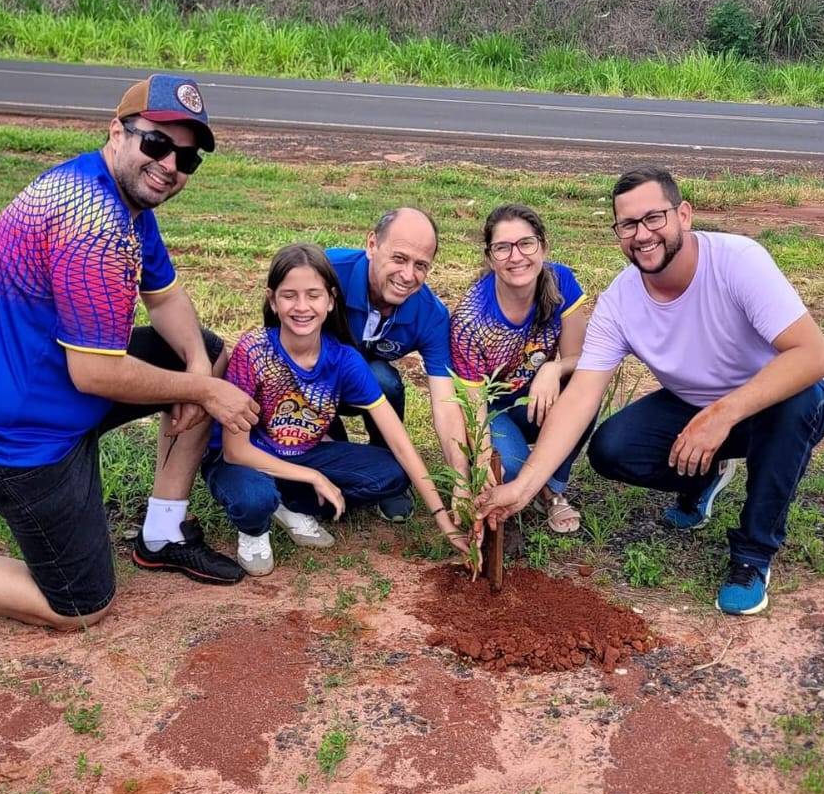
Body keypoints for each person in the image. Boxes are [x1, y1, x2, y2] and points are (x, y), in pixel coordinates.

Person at [482, 167, 824, 615]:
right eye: (628, 224)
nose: (642, 234)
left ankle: (752, 554)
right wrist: (526, 486)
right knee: (612, 449)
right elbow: (581, 396)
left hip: (779, 398)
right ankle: (708, 476)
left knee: (798, 406)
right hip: (694, 404)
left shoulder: (737, 261)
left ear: (683, 214)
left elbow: (813, 356)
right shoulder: (620, 301)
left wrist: (721, 415)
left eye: (654, 218)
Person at [0, 73, 258, 630]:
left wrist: (194, 365)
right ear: (118, 131)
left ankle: (162, 533)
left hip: (50, 379)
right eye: (157, 143)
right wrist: (203, 389)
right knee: (79, 605)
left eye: (187, 160)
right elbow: (93, 372)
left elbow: (165, 301)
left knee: (205, 349)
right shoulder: (92, 223)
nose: (170, 166)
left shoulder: (127, 204)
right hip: (23, 430)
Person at [202, 243, 469, 575]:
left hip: (299, 451)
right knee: (254, 500)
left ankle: (284, 502)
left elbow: (399, 442)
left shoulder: (344, 359)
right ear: (272, 300)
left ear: (330, 300)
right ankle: (256, 526)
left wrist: (443, 520)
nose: (302, 307)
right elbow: (234, 450)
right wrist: (313, 476)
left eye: (313, 295)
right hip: (245, 457)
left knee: (392, 474)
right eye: (289, 296)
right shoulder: (253, 350)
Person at [449, 203, 589, 533]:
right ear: (489, 257)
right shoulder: (471, 320)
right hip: (494, 409)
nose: (516, 257)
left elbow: (583, 359)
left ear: (542, 246)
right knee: (508, 470)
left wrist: (553, 370)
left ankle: (551, 489)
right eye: (502, 248)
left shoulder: (561, 282)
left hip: (541, 397)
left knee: (584, 387)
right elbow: (474, 405)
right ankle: (521, 474)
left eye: (526, 243)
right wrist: (483, 464)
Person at [325, 210, 467, 520]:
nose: (407, 275)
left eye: (421, 266)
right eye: (399, 258)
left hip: (368, 388)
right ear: (372, 244)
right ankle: (332, 447)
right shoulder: (326, 272)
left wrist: (461, 480)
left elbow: (445, 401)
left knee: (382, 378)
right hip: (313, 383)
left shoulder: (431, 314)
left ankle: (384, 458)